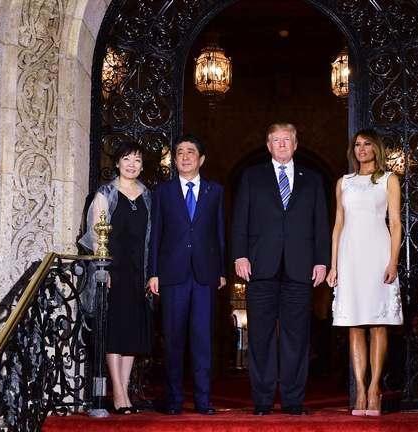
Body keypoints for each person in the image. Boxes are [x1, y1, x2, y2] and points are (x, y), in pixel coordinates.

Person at [231, 122, 330, 416]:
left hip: (300, 269)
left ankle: (292, 401)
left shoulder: (312, 179)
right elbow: (240, 221)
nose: (282, 144)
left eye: (287, 140)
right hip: (260, 266)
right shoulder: (251, 176)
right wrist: (240, 256)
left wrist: (322, 260)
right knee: (259, 336)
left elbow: (320, 223)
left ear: (296, 145)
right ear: (268, 145)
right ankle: (262, 400)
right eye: (276, 140)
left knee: (296, 338)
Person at [146, 134, 226, 416]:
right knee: (173, 339)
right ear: (175, 160)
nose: (185, 156)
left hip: (205, 274)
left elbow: (220, 234)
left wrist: (223, 271)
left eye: (190, 152)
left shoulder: (215, 191)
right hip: (172, 274)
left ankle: (203, 399)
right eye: (180, 152)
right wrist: (153, 272)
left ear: (201, 159)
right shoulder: (163, 192)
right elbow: (155, 235)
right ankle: (174, 399)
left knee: (202, 339)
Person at [326, 128, 402, 416]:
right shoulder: (343, 182)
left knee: (377, 323)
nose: (361, 148)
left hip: (378, 252)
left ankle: (375, 389)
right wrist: (333, 265)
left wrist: (393, 261)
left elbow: (395, 223)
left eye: (367, 144)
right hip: (349, 255)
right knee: (354, 323)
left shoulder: (388, 179)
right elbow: (338, 224)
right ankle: (359, 388)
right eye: (357, 144)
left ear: (376, 148)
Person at [79, 141, 154, 415]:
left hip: (139, 271)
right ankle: (118, 393)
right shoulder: (105, 194)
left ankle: (125, 391)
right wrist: (103, 269)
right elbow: (94, 236)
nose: (131, 164)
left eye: (137, 160)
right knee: (114, 330)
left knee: (132, 330)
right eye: (126, 159)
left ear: (142, 166)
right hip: (113, 270)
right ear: (118, 163)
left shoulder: (148, 197)